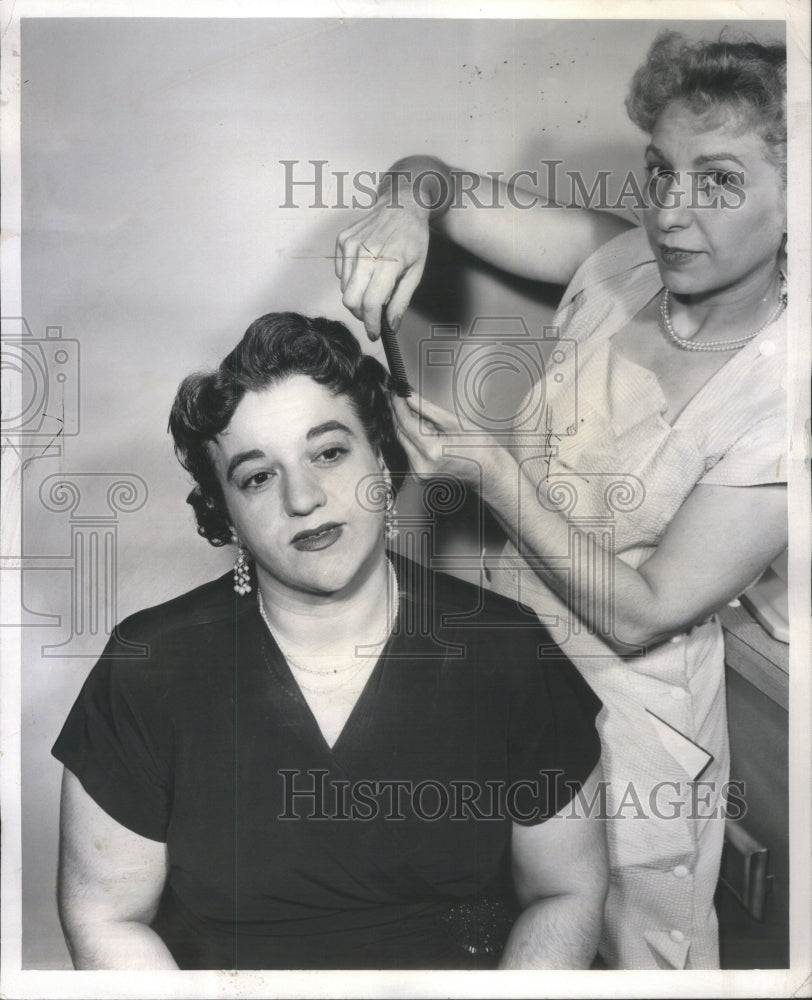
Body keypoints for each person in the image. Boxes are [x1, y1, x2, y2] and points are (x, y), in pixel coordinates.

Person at [334, 32, 789, 970]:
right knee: (521, 934)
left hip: (637, 732)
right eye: (660, 171)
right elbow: (437, 181)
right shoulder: (617, 261)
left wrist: (496, 474)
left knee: (639, 956)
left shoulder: (786, 399)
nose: (671, 212)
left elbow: (644, 613)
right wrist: (401, 207)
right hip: (512, 671)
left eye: (720, 182)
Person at [52, 311, 607, 970]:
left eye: (330, 452)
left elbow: (565, 893)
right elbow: (106, 917)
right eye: (258, 476)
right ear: (223, 512)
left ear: (382, 453)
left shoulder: (505, 649)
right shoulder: (147, 666)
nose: (304, 498)